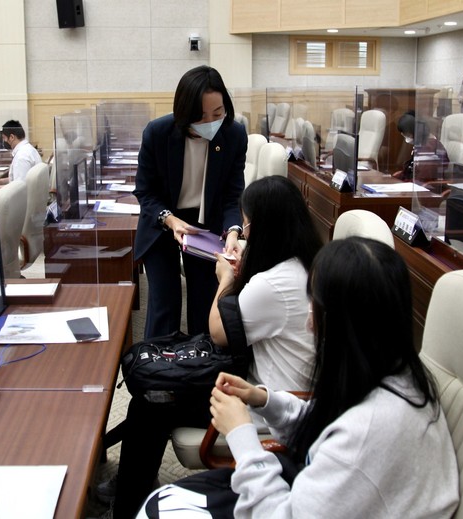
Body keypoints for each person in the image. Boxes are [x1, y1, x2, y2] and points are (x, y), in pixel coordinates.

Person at [140, 237, 460, 518]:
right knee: (163, 501)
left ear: (346, 325)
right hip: (298, 484)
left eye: (315, 307)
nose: (309, 324)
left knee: (158, 509)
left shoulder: (368, 432)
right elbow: (326, 422)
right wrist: (264, 400)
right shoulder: (396, 374)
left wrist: (241, 434)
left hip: (282, 502)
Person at [110, 175, 322, 519]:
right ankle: (131, 489)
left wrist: (226, 279)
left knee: (151, 403)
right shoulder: (303, 263)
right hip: (271, 388)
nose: (245, 234)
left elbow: (219, 331)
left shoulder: (273, 284)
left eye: (247, 226)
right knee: (153, 401)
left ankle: (127, 504)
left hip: (270, 404)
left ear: (264, 227)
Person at [134, 65, 248, 339]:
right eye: (201, 116)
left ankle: (200, 358)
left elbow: (232, 195)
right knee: (164, 300)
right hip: (163, 221)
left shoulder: (234, 134)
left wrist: (233, 232)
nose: (210, 122)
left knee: (205, 298)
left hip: (206, 226)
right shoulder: (158, 132)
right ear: (184, 111)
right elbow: (145, 192)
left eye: (217, 113)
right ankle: (158, 359)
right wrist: (171, 221)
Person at [0, 120, 42, 190]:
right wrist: (1, 181)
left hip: (25, 196)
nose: (4, 141)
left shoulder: (21, 157)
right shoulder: (28, 149)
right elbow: (19, 178)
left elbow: (20, 188)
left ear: (12, 137)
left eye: (4, 138)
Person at [392, 110, 447, 181]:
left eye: (407, 134)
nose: (406, 137)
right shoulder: (421, 145)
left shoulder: (429, 148)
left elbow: (424, 178)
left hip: (426, 185)